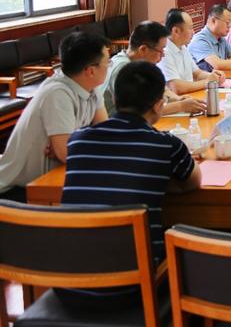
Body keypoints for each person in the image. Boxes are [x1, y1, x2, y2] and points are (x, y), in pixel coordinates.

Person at [58, 61, 201, 309]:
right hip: (132, 290)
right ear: (159, 105)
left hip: (67, 286)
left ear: (115, 98)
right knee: (194, 254)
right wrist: (155, 179)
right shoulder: (165, 144)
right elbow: (193, 182)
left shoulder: (78, 140)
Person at [0, 32, 111, 201]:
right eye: (107, 62)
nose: (109, 66)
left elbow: (105, 134)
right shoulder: (57, 94)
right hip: (19, 190)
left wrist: (75, 143)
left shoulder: (91, 87)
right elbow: (67, 153)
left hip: (49, 179)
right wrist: (71, 147)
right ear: (90, 71)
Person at [102, 21, 205, 117]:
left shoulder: (141, 64)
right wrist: (181, 106)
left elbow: (162, 90)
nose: (163, 55)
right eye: (160, 50)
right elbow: (141, 110)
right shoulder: (123, 69)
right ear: (143, 49)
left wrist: (178, 99)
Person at [159, 8, 223, 95]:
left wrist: (213, 76)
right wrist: (207, 82)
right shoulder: (164, 52)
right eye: (190, 28)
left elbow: (197, 73)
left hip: (190, 97)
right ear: (176, 31)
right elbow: (176, 87)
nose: (193, 32)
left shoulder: (182, 46)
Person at [188, 5, 231, 71]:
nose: (229, 26)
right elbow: (217, 65)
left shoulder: (221, 38)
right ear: (213, 21)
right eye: (227, 22)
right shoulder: (199, 41)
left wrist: (225, 64)